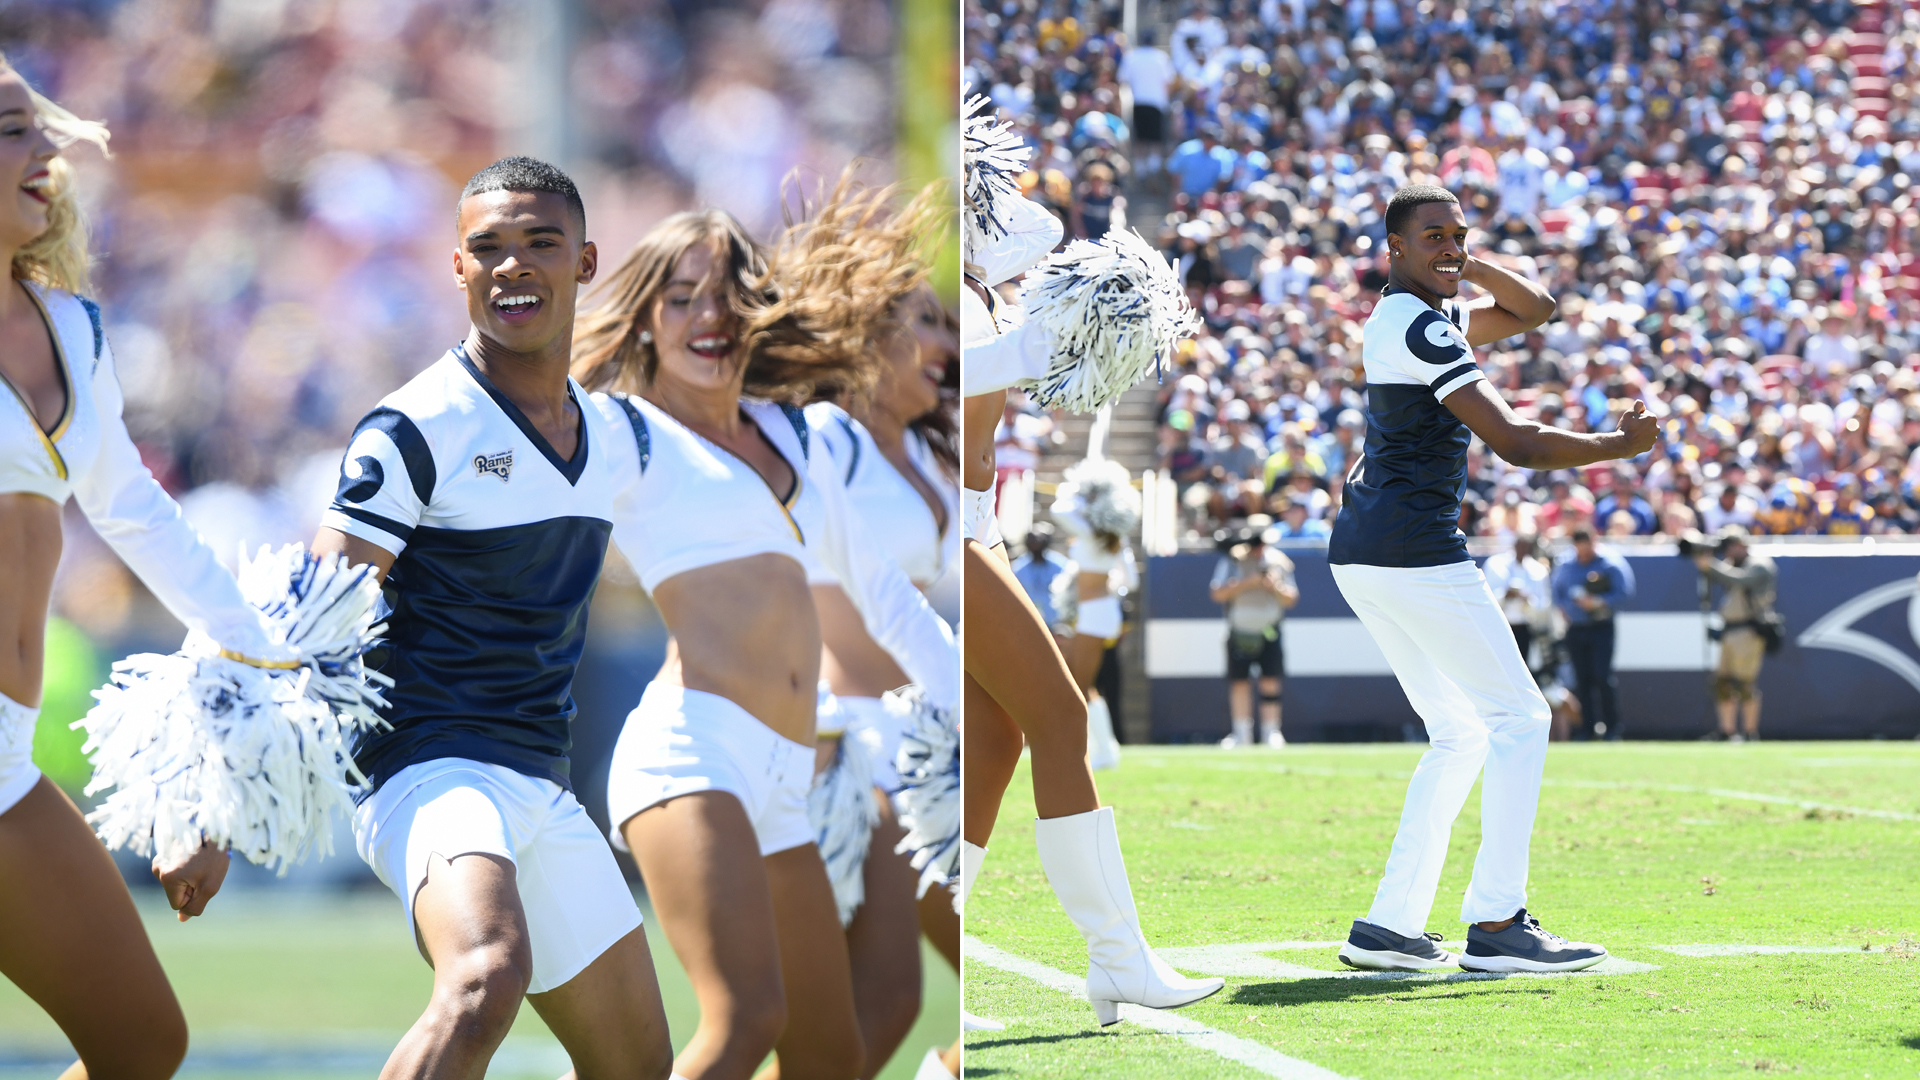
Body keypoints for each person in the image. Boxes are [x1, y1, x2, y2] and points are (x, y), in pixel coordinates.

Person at [576, 184, 958, 1080]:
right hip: (690, 754)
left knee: (829, 1052)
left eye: (728, 296)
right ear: (645, 325)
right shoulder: (622, 433)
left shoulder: (802, 433)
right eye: (681, 299)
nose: (709, 317)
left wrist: (968, 715)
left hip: (793, 773)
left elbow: (888, 600)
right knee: (744, 1021)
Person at [312, 158, 674, 1080]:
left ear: (586, 261)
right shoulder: (413, 428)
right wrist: (212, 810)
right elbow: (313, 617)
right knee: (483, 978)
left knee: (638, 1066)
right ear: (458, 270)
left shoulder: (612, 435)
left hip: (543, 784)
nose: (513, 265)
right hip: (428, 767)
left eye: (539, 244)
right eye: (489, 247)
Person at [0, 61, 295, 1080]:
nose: (48, 153)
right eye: (11, 131)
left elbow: (142, 522)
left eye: (43, 129)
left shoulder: (73, 333)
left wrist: (257, 672)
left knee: (139, 1045)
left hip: (4, 761)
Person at [1327, 185, 1656, 975]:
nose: (1449, 247)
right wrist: (1616, 446)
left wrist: (1462, 261)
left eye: (1460, 236)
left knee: (1462, 730)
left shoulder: (1420, 314)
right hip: (1413, 552)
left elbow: (1536, 308)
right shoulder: (1418, 324)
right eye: (1431, 236)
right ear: (1392, 249)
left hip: (1368, 552)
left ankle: (1390, 926)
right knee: (1521, 718)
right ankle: (1499, 922)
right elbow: (1514, 442)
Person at [959, 111, 1222, 1026]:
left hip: (977, 529)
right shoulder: (942, 296)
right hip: (941, 535)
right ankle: (1118, 960)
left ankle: (931, 943)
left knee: (994, 743)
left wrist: (1068, 347)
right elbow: (927, 377)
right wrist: (1028, 349)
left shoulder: (981, 295)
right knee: (1062, 715)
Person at [802, 277, 964, 1078]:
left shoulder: (935, 453)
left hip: (931, 745)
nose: (948, 346)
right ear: (867, 338)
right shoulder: (823, 435)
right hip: (848, 742)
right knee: (884, 998)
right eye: (927, 325)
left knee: (929, 992)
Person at [1209, 526, 1297, 748]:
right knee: (1239, 682)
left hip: (1269, 630)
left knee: (1270, 681)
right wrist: (1246, 583)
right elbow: (1217, 593)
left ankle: (1271, 731)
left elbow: (1291, 598)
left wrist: (1274, 586)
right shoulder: (1232, 560)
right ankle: (1241, 733)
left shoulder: (1279, 561)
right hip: (1239, 630)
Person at [1693, 526, 1776, 742]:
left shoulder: (1759, 565)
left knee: (1745, 683)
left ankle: (1750, 732)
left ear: (1742, 544)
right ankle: (1727, 730)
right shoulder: (1730, 565)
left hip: (1748, 630)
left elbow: (1740, 580)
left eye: (1730, 545)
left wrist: (1711, 566)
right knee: (1722, 683)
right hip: (1729, 630)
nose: (1727, 551)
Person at [1551, 526, 1635, 740]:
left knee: (1602, 677)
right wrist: (1566, 609)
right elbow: (1556, 592)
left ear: (1594, 542)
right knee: (1582, 679)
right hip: (1576, 627)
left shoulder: (1609, 562)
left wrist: (1599, 602)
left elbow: (1624, 592)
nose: (1583, 552)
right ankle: (1586, 729)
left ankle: (1612, 728)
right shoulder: (1567, 565)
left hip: (1601, 626)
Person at [1482, 531, 1551, 669]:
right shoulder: (1495, 565)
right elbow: (1484, 598)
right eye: (1520, 546)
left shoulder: (1537, 570)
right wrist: (1505, 595)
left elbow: (1544, 605)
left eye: (1526, 547)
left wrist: (1527, 600)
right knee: (1499, 669)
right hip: (1500, 628)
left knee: (1523, 669)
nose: (1522, 550)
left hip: (1525, 629)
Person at [1010, 521, 1072, 629]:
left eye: (1039, 540)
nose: (1036, 543)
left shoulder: (1061, 566)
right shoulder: (1018, 568)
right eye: (1032, 540)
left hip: (1057, 624)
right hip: (1027, 623)